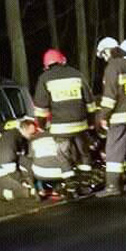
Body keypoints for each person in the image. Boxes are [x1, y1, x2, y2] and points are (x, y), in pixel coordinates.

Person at [33, 49, 96, 194]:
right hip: (80, 124)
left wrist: (42, 126)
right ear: (63, 60)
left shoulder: (45, 78)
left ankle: (71, 186)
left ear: (47, 65)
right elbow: (90, 101)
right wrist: (91, 121)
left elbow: (41, 107)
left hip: (60, 127)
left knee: (63, 155)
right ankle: (86, 183)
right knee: (83, 153)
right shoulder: (77, 74)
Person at [95, 37, 126, 196]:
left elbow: (110, 96)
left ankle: (113, 186)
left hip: (118, 116)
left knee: (114, 150)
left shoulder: (112, 67)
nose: (104, 58)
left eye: (103, 54)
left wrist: (103, 115)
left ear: (107, 51)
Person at [0, 117, 39, 201]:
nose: (34, 135)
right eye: (32, 132)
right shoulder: (12, 139)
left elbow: (23, 159)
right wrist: (22, 180)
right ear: (24, 129)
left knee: (29, 185)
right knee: (24, 191)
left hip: (7, 167)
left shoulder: (19, 137)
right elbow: (9, 165)